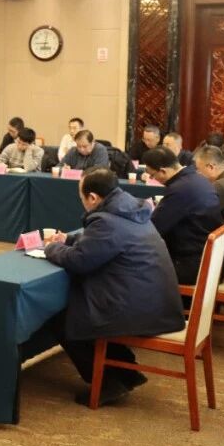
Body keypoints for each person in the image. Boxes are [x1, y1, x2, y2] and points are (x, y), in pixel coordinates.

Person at [44, 168, 183, 406]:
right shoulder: (131, 209)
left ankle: (108, 382)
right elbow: (104, 243)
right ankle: (126, 373)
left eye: (81, 197)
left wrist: (51, 248)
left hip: (139, 308)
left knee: (64, 316)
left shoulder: (107, 221)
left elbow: (79, 261)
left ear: (93, 197)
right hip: (156, 301)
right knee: (82, 307)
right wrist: (69, 240)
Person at [141, 147, 221, 284]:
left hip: (191, 265)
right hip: (209, 259)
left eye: (152, 175)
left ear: (163, 171)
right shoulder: (197, 179)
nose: (153, 179)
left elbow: (155, 228)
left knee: (132, 268)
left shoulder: (180, 189)